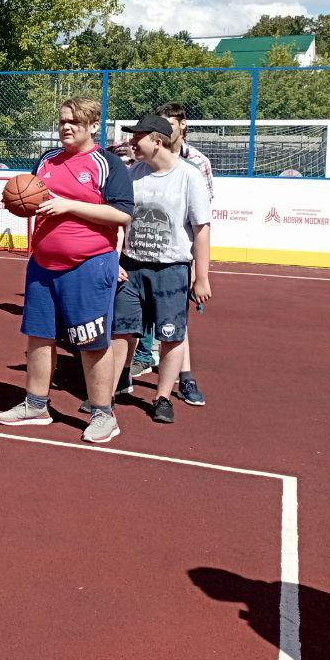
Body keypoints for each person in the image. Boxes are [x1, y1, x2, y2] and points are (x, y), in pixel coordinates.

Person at [0, 96, 133, 444]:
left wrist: (70, 206)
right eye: (62, 121)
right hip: (42, 264)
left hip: (88, 264)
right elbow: (31, 197)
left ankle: (104, 414)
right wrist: (17, 201)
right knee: (39, 336)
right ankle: (36, 405)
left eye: (74, 121)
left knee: (90, 341)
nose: (66, 127)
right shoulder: (45, 161)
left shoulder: (108, 164)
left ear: (93, 125)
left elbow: (122, 214)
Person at [109, 114, 213, 424]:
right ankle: (111, 389)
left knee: (171, 335)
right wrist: (115, 260)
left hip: (171, 269)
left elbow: (201, 229)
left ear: (157, 140)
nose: (131, 142)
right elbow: (119, 222)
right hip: (131, 266)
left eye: (137, 136)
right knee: (122, 332)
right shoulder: (132, 174)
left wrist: (202, 276)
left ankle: (162, 397)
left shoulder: (188, 176)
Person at [153, 102, 213, 407]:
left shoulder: (198, 163)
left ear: (182, 125)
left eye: (170, 125)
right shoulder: (147, 156)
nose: (164, 131)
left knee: (177, 321)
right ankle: (126, 373)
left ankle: (185, 378)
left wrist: (198, 270)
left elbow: (202, 218)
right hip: (146, 251)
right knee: (136, 318)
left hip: (180, 254)